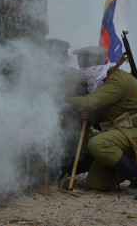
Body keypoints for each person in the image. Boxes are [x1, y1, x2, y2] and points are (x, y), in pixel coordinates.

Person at [64, 46, 137, 200]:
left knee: (97, 143)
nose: (82, 71)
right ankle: (126, 165)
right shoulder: (98, 82)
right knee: (96, 183)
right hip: (122, 132)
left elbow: (91, 101)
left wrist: (58, 103)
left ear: (95, 64)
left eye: (85, 67)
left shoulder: (117, 80)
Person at [46, 38, 92, 179]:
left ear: (66, 57)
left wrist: (89, 113)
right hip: (46, 126)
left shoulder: (79, 77)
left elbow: (90, 101)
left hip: (71, 127)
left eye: (56, 55)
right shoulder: (40, 77)